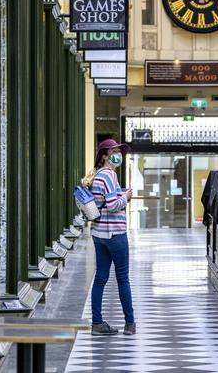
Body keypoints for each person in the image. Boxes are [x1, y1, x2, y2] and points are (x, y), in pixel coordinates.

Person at [81, 138, 135, 336]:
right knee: (123, 279)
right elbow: (112, 206)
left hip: (99, 234)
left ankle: (97, 323)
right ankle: (130, 324)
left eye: (119, 151)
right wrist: (126, 196)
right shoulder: (110, 175)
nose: (118, 154)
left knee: (100, 278)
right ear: (104, 156)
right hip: (115, 234)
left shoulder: (97, 176)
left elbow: (103, 201)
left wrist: (119, 194)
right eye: (113, 151)